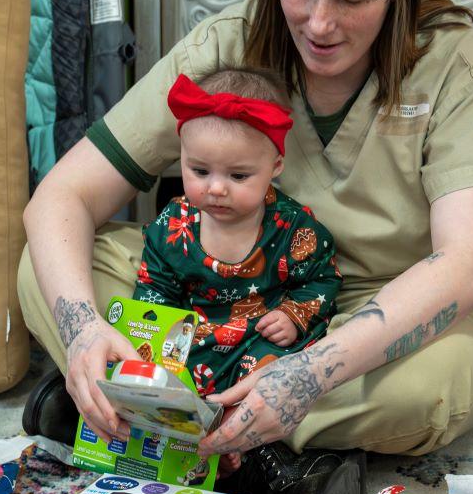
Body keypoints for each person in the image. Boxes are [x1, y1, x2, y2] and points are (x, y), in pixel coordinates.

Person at [20, 0, 473, 494]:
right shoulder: (228, 46)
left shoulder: (453, 64)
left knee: (442, 383)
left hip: (387, 316)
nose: (320, 24)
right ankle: (269, 463)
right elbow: (60, 198)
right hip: (222, 307)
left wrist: (308, 374)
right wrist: (79, 331)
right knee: (48, 267)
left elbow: (470, 267)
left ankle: (134, 413)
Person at [134, 68, 342, 399]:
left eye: (239, 176)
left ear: (275, 167)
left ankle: (251, 431)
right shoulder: (173, 225)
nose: (216, 188)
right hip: (195, 334)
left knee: (280, 371)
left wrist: (293, 314)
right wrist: (153, 334)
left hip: (262, 333)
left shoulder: (292, 227)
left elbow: (322, 279)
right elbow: (155, 287)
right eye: (199, 171)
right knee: (158, 370)